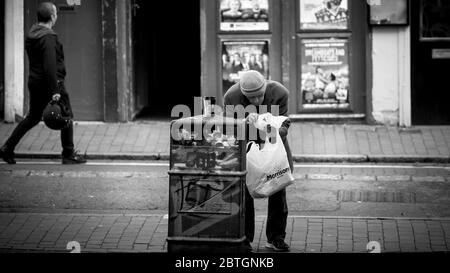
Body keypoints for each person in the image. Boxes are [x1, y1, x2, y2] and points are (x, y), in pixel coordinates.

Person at [0, 2, 87, 165]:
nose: (56, 16)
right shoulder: (48, 37)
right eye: (56, 14)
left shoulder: (32, 33)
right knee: (66, 115)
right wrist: (55, 89)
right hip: (52, 83)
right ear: (52, 16)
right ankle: (68, 154)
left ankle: (7, 147)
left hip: (35, 81)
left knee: (33, 117)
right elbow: (49, 65)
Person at [223, 70, 293, 252]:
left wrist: (268, 123)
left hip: (274, 149)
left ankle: (276, 238)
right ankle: (245, 240)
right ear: (242, 93)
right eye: (250, 98)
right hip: (246, 150)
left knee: (278, 191)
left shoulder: (280, 93)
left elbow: (284, 124)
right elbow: (229, 131)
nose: (256, 101)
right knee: (244, 195)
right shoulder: (231, 96)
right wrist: (244, 122)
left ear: (265, 88)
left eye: (259, 96)